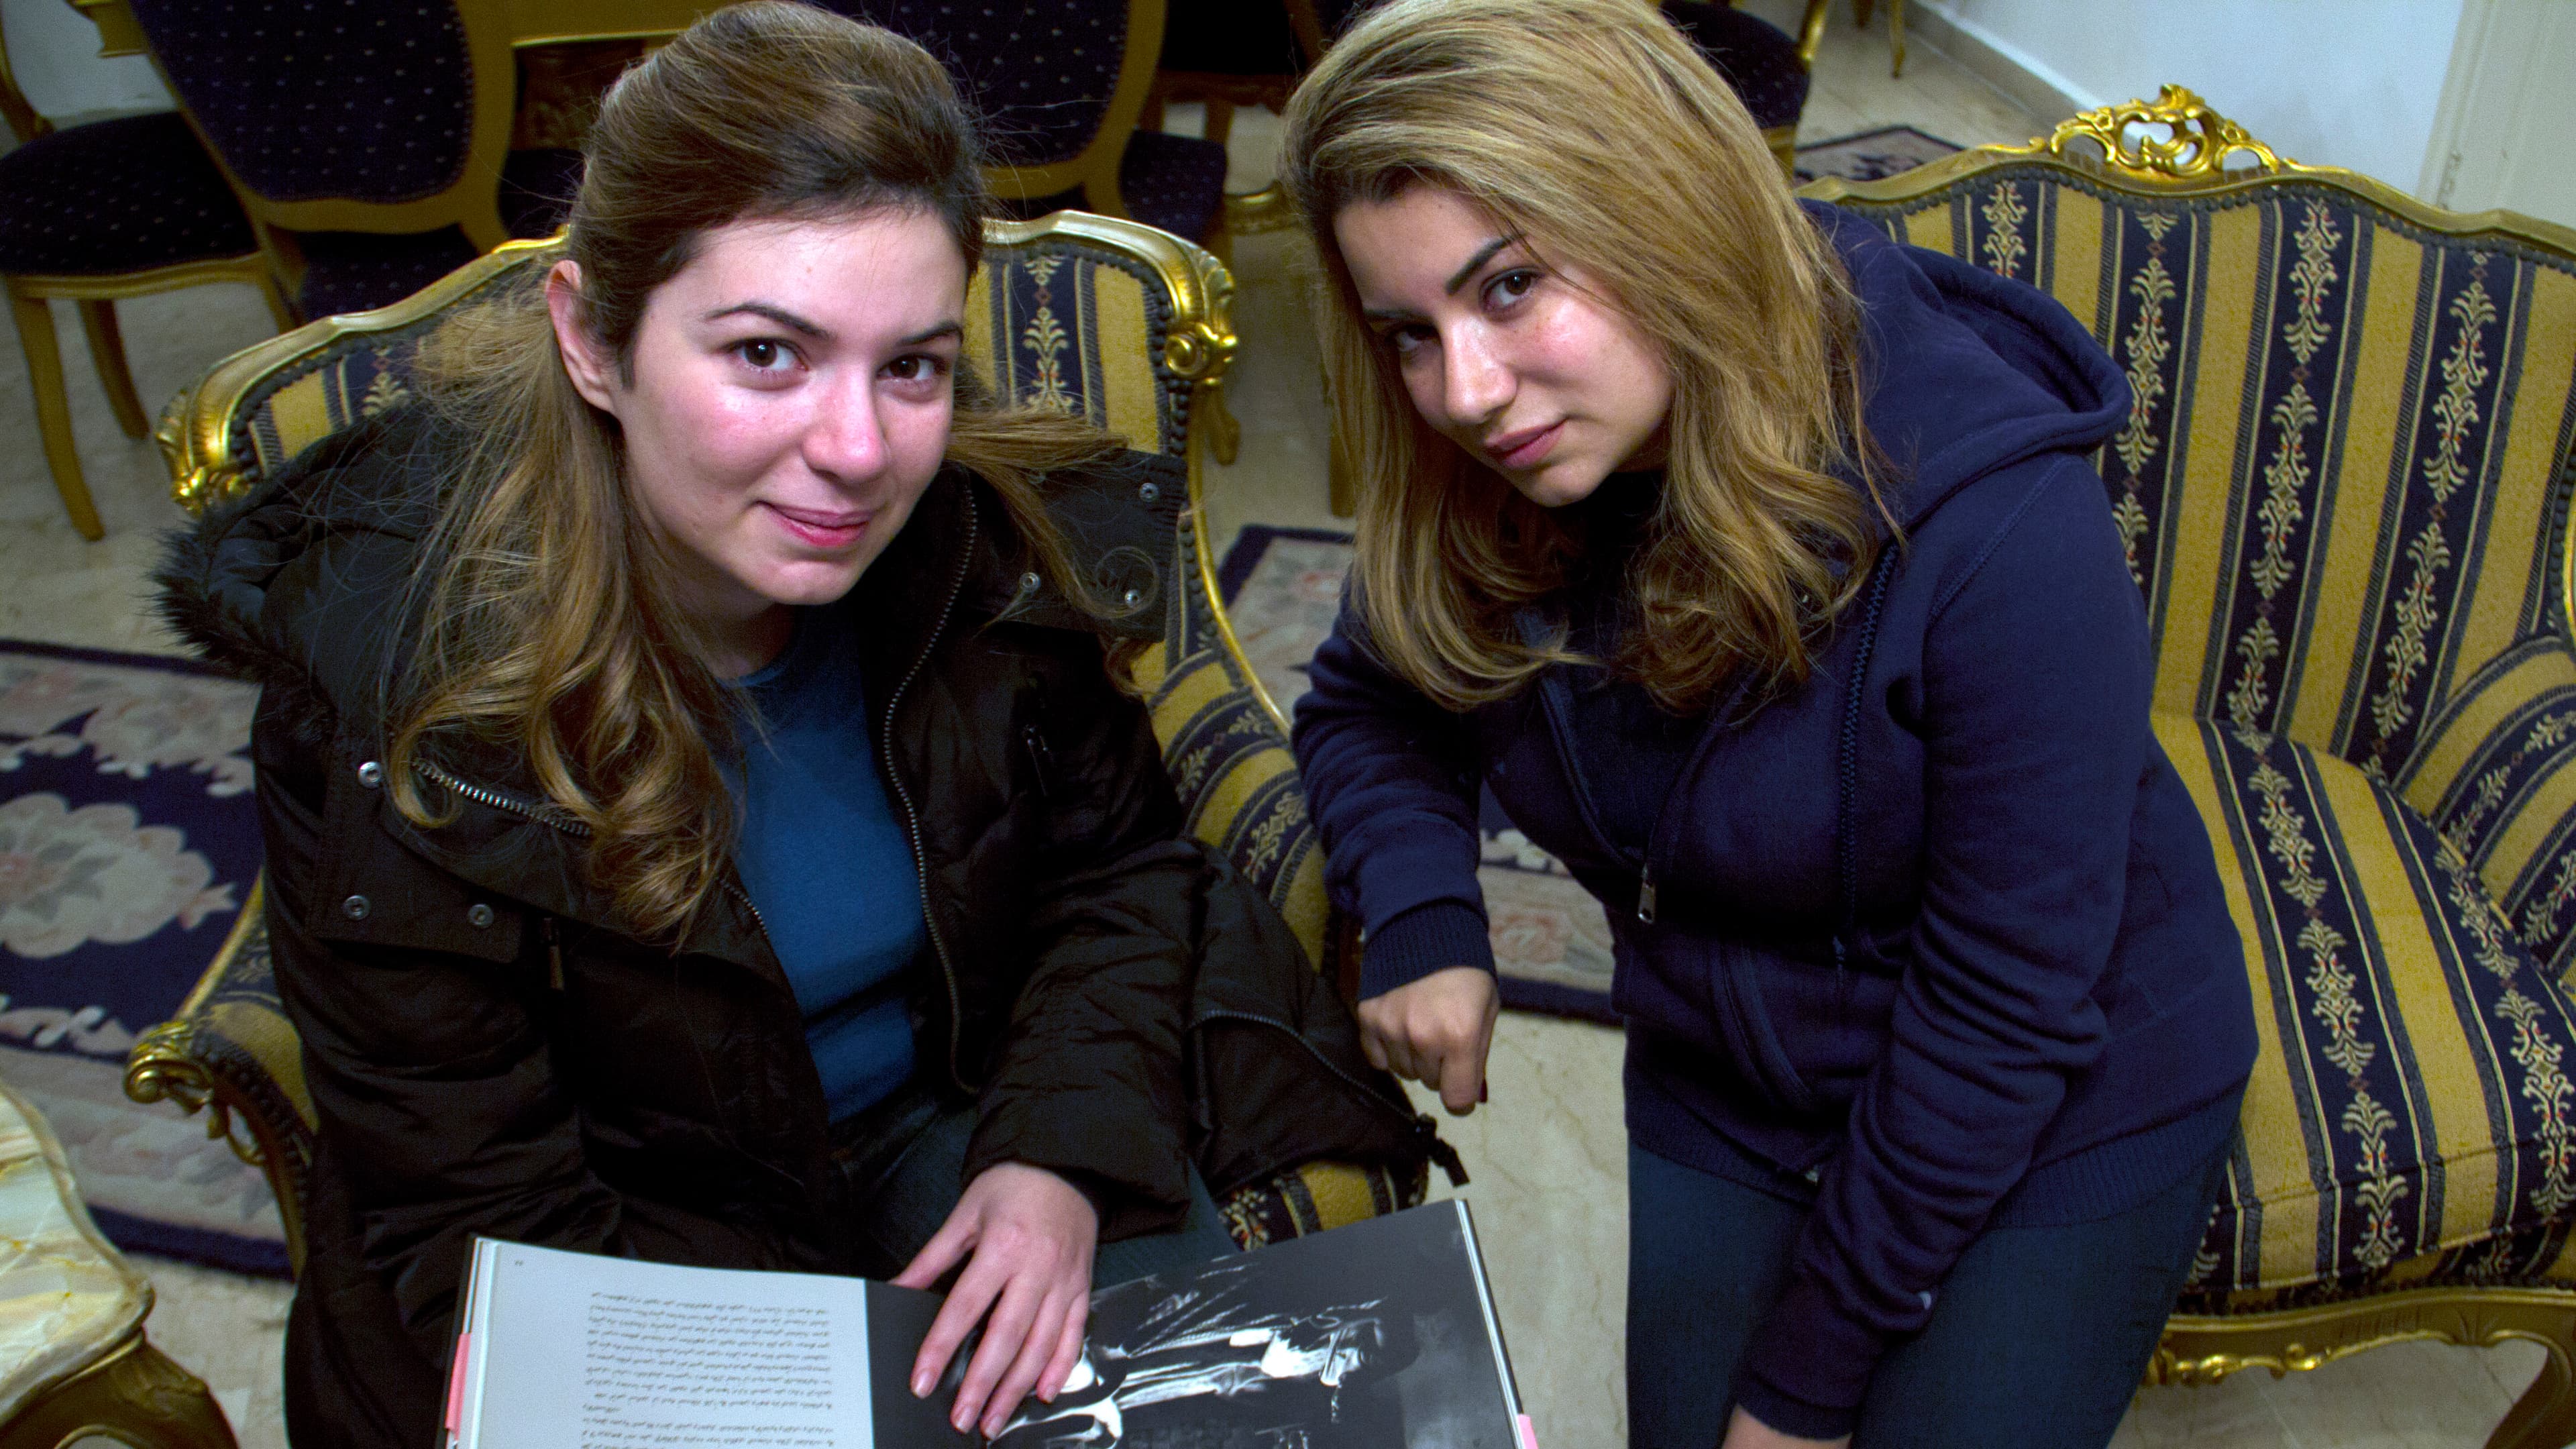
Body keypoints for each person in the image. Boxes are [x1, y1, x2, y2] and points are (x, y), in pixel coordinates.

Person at [156, 6, 1431, 1445]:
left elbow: (1117, 875)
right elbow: (475, 1211)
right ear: (591, 339)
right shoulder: (397, 687)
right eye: (767, 353)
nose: (858, 451)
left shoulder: (979, 555)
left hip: (959, 1121)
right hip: (635, 1237)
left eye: (914, 365)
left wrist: (1059, 1157)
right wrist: (801, 1379)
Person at [1277, 2, 2259, 1446]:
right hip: (1731, 1063)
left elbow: (2000, 1013)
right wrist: (1425, 908)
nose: (1467, 394)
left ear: (1663, 214)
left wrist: (1795, 1402)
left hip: (2050, 1093)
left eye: (1511, 288)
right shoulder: (1499, 478)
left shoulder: (2000, 521)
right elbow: (1371, 697)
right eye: (1410, 334)